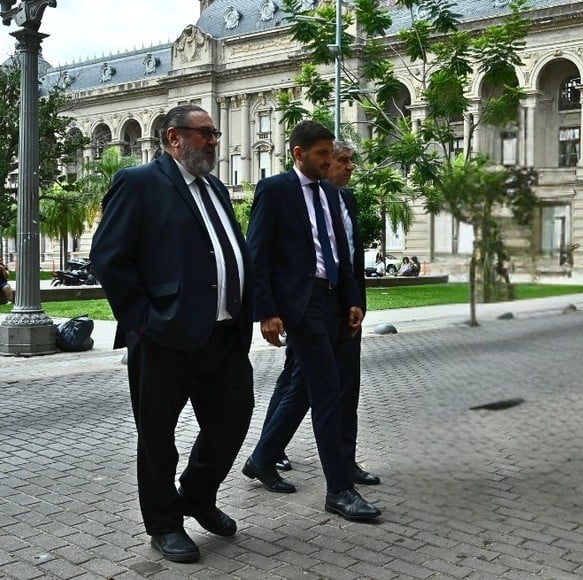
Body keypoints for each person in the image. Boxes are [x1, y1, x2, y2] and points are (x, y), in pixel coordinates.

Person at [90, 104, 255, 564]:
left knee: (233, 419)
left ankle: (198, 495)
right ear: (173, 138)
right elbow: (109, 257)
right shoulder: (140, 183)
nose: (213, 141)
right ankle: (164, 524)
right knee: (158, 437)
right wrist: (143, 319)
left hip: (222, 335)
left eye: (215, 134)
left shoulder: (216, 189)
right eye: (204, 133)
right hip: (164, 337)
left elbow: (228, 251)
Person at [243, 121, 380, 521]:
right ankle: (339, 490)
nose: (328, 160)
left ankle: (263, 457)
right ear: (298, 154)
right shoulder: (276, 190)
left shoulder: (329, 193)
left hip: (335, 300)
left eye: (330, 153)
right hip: (302, 305)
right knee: (326, 391)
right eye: (321, 154)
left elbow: (340, 251)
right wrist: (267, 311)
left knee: (308, 386)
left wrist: (353, 299)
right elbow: (259, 256)